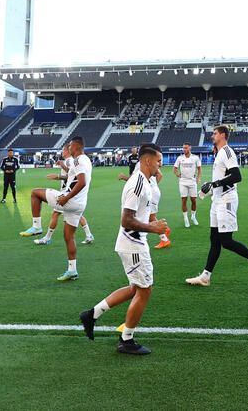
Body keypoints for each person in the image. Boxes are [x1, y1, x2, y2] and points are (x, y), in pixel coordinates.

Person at [80, 144, 168, 355]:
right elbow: (126, 220)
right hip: (133, 244)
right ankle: (126, 339)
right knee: (145, 290)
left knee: (135, 289)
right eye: (158, 161)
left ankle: (92, 314)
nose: (160, 166)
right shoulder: (137, 182)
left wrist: (153, 224)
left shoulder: (145, 181)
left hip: (135, 242)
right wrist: (154, 228)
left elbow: (139, 214)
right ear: (147, 161)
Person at [185, 125, 248, 286]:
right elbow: (223, 178)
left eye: (214, 133)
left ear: (222, 135)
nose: (212, 136)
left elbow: (237, 176)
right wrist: (210, 188)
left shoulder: (227, 151)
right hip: (216, 200)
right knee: (214, 240)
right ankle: (205, 277)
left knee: (226, 241)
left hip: (227, 200)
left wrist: (214, 183)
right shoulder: (219, 153)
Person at [19, 137, 91, 280]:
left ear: (75, 146)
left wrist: (67, 197)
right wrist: (60, 177)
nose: (68, 148)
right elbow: (75, 178)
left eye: (70, 145)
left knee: (35, 193)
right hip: (80, 204)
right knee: (68, 236)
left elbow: (81, 182)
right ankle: (72, 270)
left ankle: (36, 227)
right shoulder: (86, 160)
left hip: (69, 200)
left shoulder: (78, 160)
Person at [33, 143, 95, 246]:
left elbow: (73, 174)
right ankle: (89, 235)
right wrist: (58, 176)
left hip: (66, 193)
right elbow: (70, 175)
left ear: (67, 150)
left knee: (55, 214)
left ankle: (47, 238)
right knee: (77, 214)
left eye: (63, 150)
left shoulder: (70, 161)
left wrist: (61, 168)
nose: (62, 151)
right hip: (68, 193)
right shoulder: (72, 160)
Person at [173, 143, 202, 228]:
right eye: (183, 148)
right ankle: (186, 219)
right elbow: (175, 168)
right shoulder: (180, 158)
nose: (184, 149)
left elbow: (199, 168)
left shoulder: (195, 158)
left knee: (193, 200)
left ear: (190, 148)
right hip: (182, 181)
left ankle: (193, 216)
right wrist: (177, 174)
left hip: (192, 181)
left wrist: (198, 178)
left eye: (186, 148)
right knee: (184, 200)